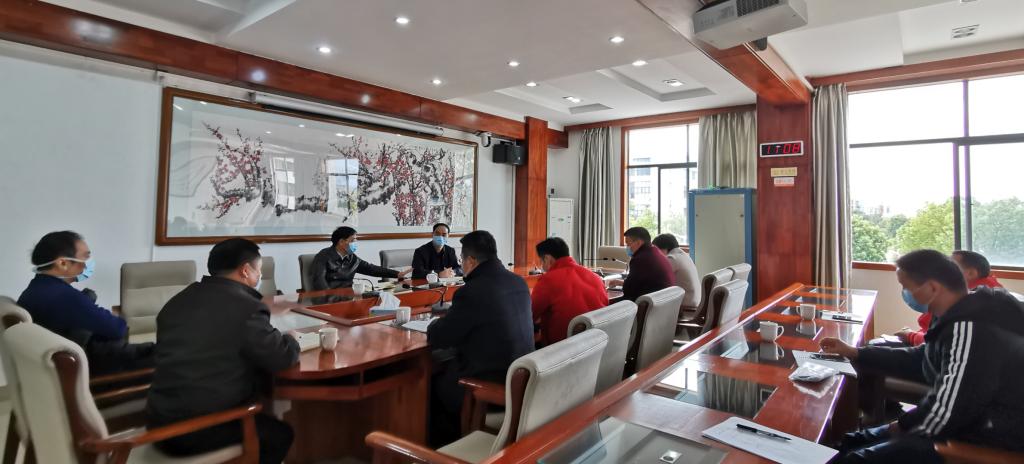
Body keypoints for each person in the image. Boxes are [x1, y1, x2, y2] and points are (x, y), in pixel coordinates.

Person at [820, 249, 1024, 463]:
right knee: (849, 442)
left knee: (855, 459)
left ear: (932, 288)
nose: (905, 293)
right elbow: (923, 358)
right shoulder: (952, 314)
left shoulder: (971, 327)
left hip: (993, 434)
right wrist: (856, 353)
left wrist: (901, 426)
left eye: (906, 287)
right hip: (967, 419)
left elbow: (953, 409)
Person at [147, 238, 300, 464]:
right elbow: (282, 357)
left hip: (159, 419)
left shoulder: (178, 301)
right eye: (259, 270)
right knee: (280, 435)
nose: (260, 276)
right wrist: (292, 339)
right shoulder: (248, 307)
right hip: (196, 430)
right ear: (245, 270)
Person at [426, 230, 534, 445]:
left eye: (462, 260)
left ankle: (446, 450)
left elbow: (440, 337)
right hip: (521, 378)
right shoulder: (519, 283)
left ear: (471, 261)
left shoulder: (472, 291)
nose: (462, 265)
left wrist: (434, 323)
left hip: (488, 386)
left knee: (431, 385)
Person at [17, 230, 154, 375]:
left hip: (62, 366)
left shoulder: (35, 289)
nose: (88, 263)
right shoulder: (65, 297)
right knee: (164, 357)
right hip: (89, 369)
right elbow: (118, 328)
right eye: (85, 257)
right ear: (63, 263)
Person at [895, 250, 1004, 346]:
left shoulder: (975, 308)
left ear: (971, 273)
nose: (946, 270)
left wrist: (911, 336)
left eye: (953, 266)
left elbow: (941, 341)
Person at [530, 237, 609, 346]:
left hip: (563, 348)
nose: (541, 266)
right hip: (597, 344)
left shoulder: (548, 280)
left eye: (541, 261)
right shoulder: (595, 277)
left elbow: (530, 315)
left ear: (547, 259)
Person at [309, 226, 411, 290]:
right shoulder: (323, 256)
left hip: (348, 297)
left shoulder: (351, 258)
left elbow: (371, 269)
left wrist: (397, 274)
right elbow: (319, 283)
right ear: (341, 242)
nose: (355, 243)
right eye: (353, 240)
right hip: (328, 301)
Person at [614, 227, 675, 302]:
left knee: (605, 304)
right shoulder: (656, 252)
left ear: (638, 242)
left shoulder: (640, 259)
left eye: (628, 244)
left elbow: (629, 290)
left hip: (647, 304)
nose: (627, 247)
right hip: (663, 302)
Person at [652, 233, 700, 315]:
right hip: (694, 301)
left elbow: (655, 277)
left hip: (686, 306)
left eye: (657, 250)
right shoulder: (684, 255)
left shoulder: (672, 258)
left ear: (664, 248)